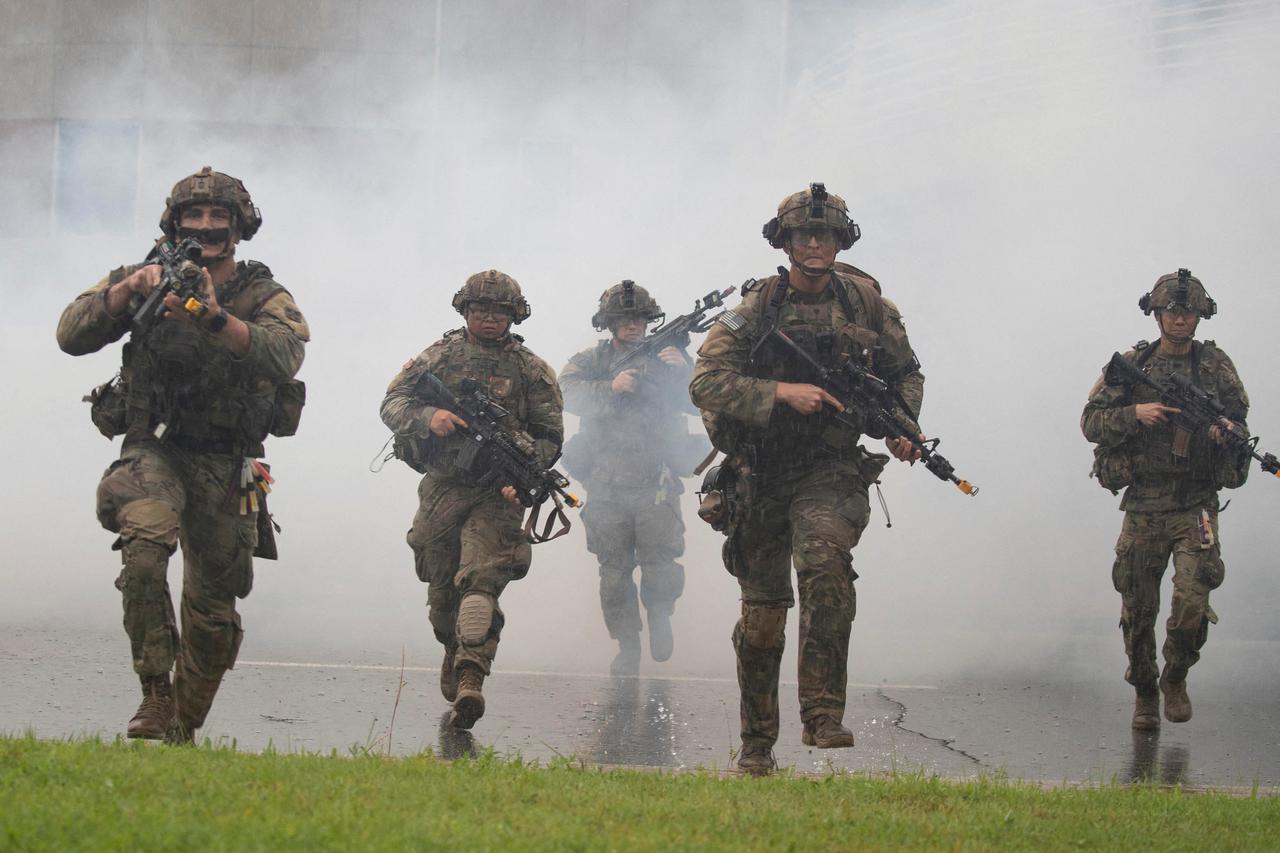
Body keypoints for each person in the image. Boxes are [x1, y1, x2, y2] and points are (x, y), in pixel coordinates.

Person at [56, 166, 310, 743]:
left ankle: (182, 726)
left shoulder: (262, 293)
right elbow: (70, 333)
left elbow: (284, 354)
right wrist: (127, 292)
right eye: (194, 217)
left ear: (239, 226)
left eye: (219, 217)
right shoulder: (141, 274)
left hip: (229, 463)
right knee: (144, 548)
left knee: (214, 612)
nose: (206, 227)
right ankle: (154, 690)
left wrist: (216, 317)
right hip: (155, 447)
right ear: (175, 222)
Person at [689, 183, 924, 775]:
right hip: (761, 474)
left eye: (826, 234)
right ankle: (757, 743)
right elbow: (706, 382)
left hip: (830, 468)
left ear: (841, 241)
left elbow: (905, 375)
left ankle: (822, 713)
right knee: (763, 617)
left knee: (824, 568)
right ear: (787, 242)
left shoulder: (869, 309)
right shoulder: (756, 310)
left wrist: (901, 427)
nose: (816, 243)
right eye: (804, 234)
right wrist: (779, 393)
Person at [381, 270, 563, 729]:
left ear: (514, 315)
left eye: (499, 311)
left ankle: (471, 678)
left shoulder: (531, 370)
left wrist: (521, 477)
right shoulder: (439, 356)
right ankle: (452, 650)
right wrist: (429, 416)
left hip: (495, 495)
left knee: (480, 582)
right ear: (464, 310)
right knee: (441, 590)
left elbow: (549, 437)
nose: (488, 318)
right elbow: (392, 403)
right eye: (479, 309)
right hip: (443, 486)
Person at [1081, 269, 1249, 730]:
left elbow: (1239, 424)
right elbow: (1090, 422)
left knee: (1192, 601)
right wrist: (1135, 413)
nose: (1180, 319)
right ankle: (1143, 691)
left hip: (1195, 504)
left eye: (1188, 312)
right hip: (1143, 505)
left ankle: (1175, 675)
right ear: (1156, 314)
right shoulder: (1132, 363)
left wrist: (1225, 433)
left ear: (1200, 317)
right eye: (1172, 311)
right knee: (1137, 610)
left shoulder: (1216, 367)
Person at [559, 281, 704, 676]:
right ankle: (627, 646)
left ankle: (660, 615)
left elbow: (705, 400)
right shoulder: (592, 360)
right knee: (613, 573)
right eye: (624, 319)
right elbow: (564, 392)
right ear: (609, 323)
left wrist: (683, 373)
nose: (633, 325)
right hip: (606, 482)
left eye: (639, 318)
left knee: (661, 565)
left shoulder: (668, 358)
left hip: (656, 479)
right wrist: (611, 387)